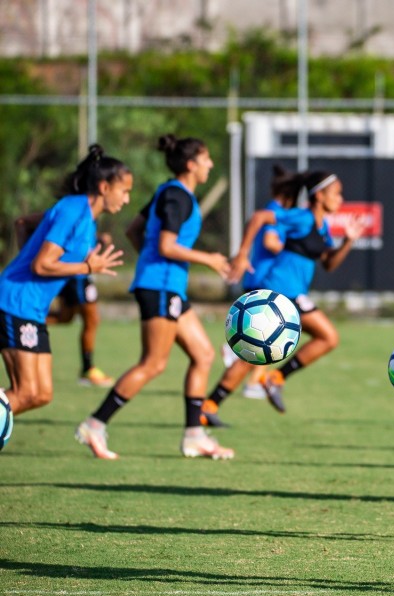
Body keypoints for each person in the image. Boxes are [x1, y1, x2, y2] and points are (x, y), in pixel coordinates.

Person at [75, 134, 234, 461]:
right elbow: (165, 245)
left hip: (165, 284)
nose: (210, 165)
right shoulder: (178, 196)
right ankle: (95, 423)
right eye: (206, 159)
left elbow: (136, 229)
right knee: (153, 364)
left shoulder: (167, 191)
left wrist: (150, 265)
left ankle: (194, 435)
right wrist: (211, 259)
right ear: (191, 164)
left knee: (203, 354)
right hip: (161, 286)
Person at [223, 170, 366, 416]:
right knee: (323, 338)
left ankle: (214, 403)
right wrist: (243, 253)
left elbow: (329, 264)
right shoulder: (302, 217)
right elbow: (258, 217)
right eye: (337, 193)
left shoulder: (322, 228)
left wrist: (348, 241)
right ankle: (268, 381)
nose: (341, 199)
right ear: (319, 195)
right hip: (279, 291)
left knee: (256, 355)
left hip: (293, 294)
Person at [0, 145, 128, 417]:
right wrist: (86, 266)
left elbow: (23, 223)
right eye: (124, 191)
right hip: (15, 302)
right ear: (104, 187)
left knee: (41, 394)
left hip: (32, 308)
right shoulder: (75, 212)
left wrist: (29, 254)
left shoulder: (84, 218)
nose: (127, 199)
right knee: (25, 392)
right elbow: (41, 264)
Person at [201, 165, 308, 426]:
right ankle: (243, 370)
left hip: (260, 282)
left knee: (267, 340)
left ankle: (247, 379)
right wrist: (296, 246)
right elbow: (272, 241)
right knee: (265, 339)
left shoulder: (274, 209)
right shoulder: (277, 213)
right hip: (264, 284)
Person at [14, 217, 117, 388]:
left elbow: (79, 238)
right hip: (77, 275)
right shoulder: (74, 209)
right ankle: (87, 369)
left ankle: (17, 321)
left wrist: (98, 239)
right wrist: (25, 251)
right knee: (92, 320)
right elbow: (23, 222)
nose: (125, 199)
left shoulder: (91, 214)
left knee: (65, 318)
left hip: (81, 274)